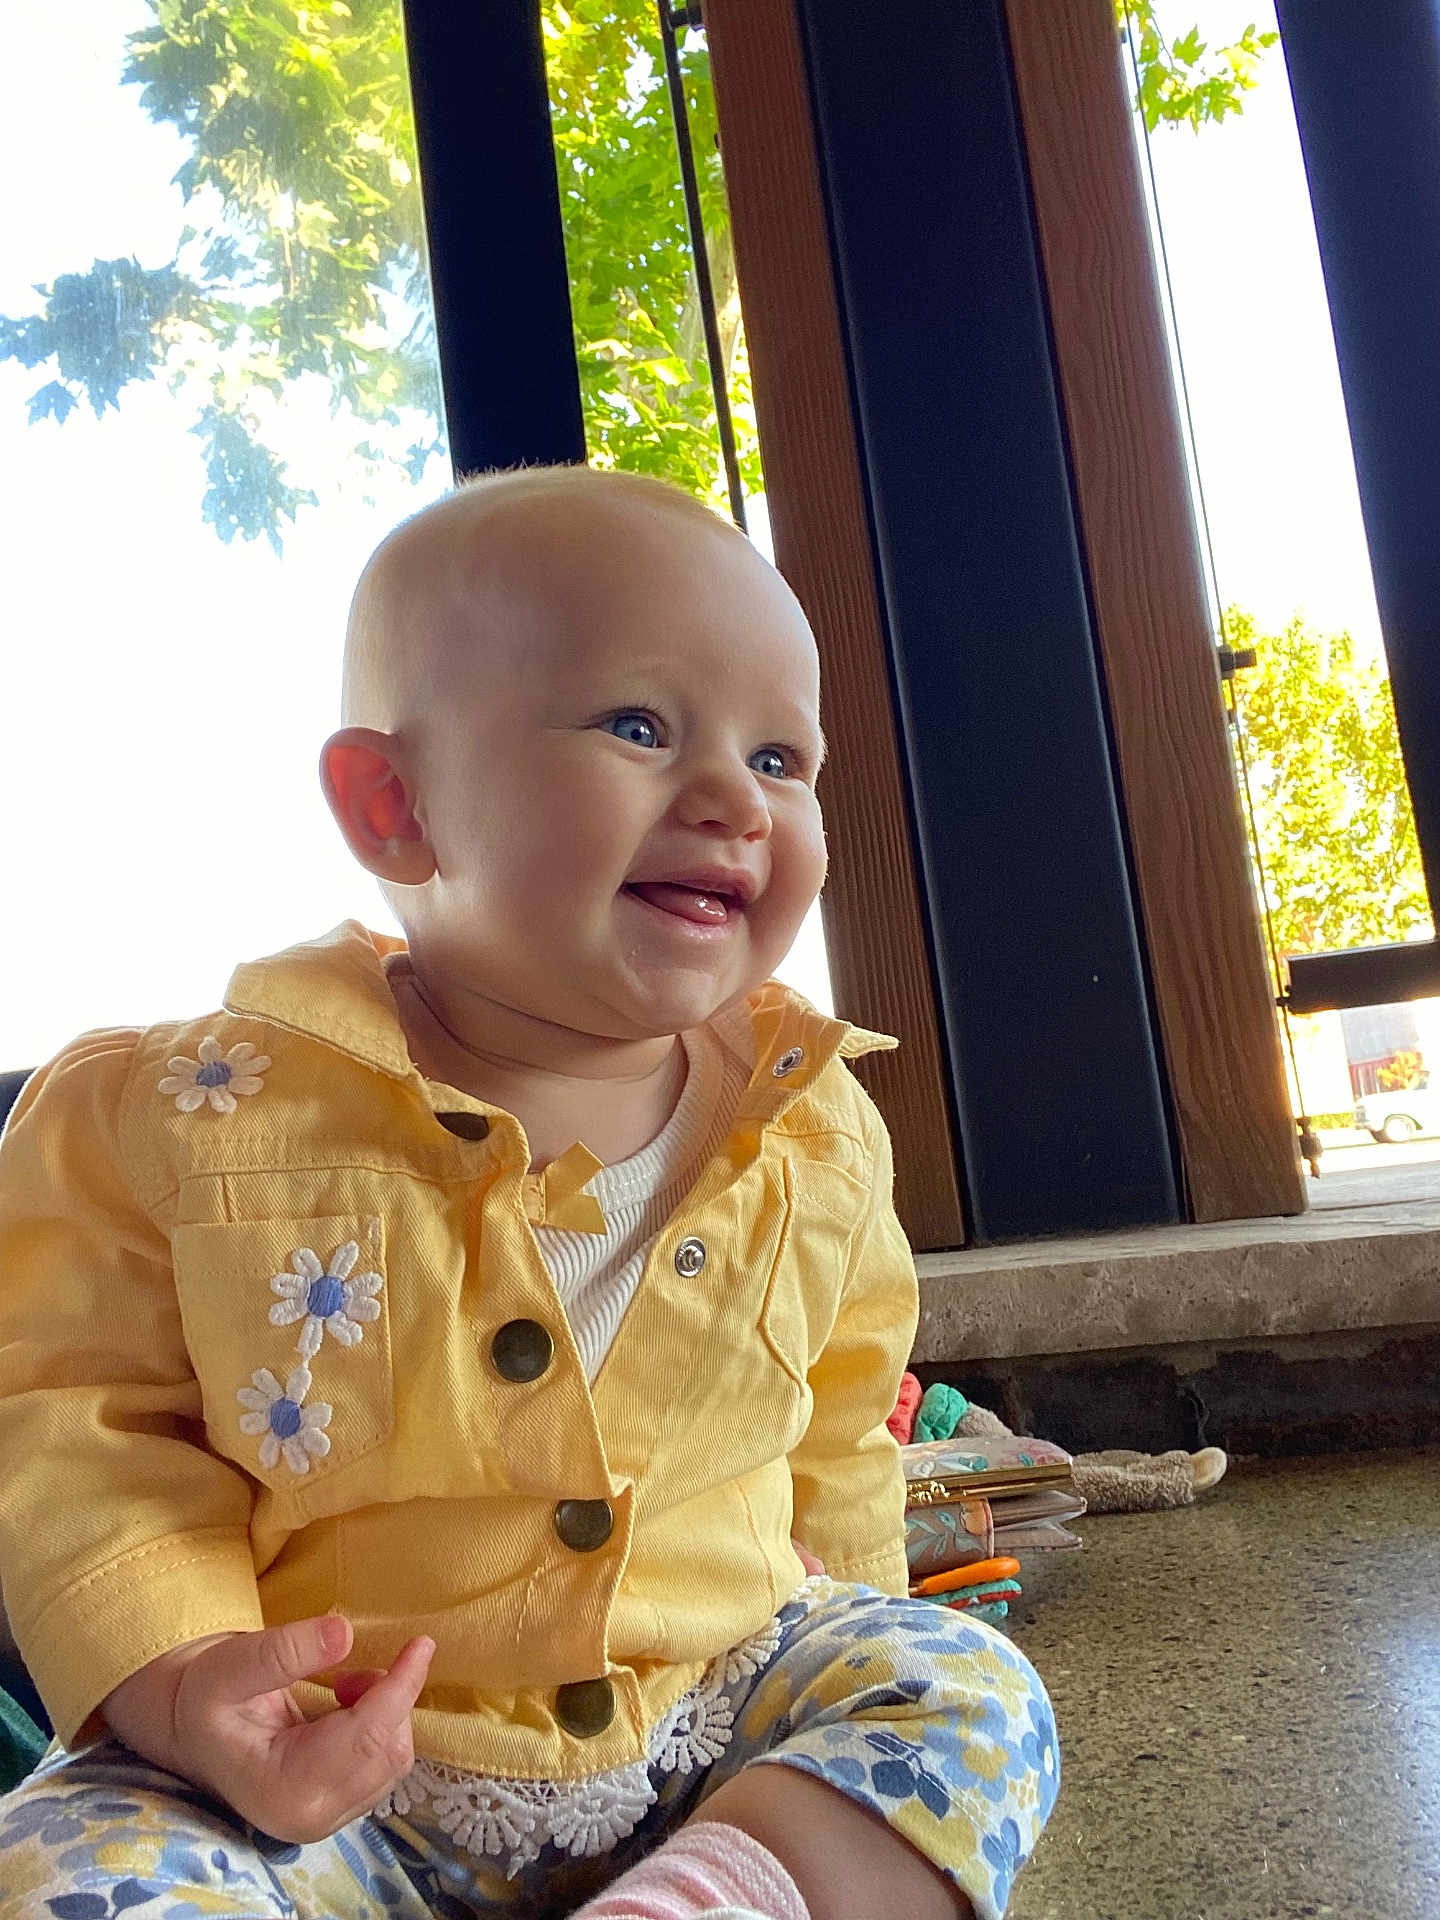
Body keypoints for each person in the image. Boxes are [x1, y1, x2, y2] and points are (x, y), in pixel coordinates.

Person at [0, 467, 1058, 1920]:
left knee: (969, 1696)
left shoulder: (811, 1128)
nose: (734, 803)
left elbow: (838, 1413)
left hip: (708, 1722)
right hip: (324, 1775)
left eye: (780, 758)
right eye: (640, 727)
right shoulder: (185, 1117)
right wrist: (183, 1679)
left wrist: (854, 1604)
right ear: (396, 806)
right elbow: (88, 1428)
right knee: (63, 1864)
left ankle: (714, 1896)